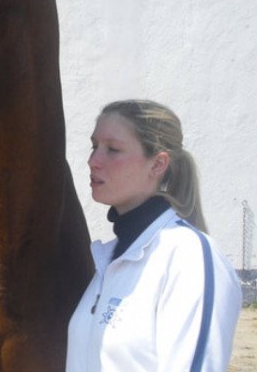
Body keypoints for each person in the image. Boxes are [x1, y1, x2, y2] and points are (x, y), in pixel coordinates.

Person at [66, 99, 242, 372]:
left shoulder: (187, 257)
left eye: (112, 149)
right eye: (94, 146)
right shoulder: (109, 261)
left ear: (158, 164)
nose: (93, 161)